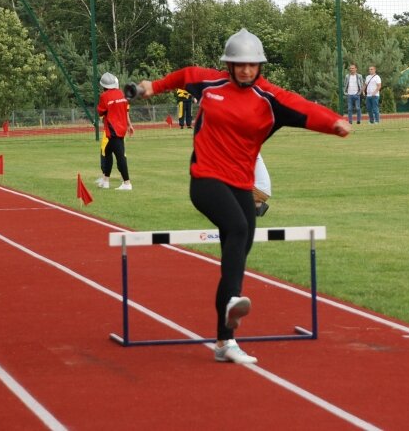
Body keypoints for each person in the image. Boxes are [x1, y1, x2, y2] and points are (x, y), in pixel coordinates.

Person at [136, 29, 350, 364]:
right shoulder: (210, 84)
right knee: (236, 228)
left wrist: (333, 123)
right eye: (239, 65)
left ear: (259, 66)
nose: (246, 71)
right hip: (205, 178)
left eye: (252, 65)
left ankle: (225, 341)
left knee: (237, 252)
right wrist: (155, 85)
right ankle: (233, 300)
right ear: (229, 65)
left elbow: (303, 108)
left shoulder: (269, 99)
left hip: (240, 183)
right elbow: (185, 73)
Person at [95, 72, 134, 191]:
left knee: (119, 156)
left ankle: (127, 183)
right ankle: (106, 181)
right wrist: (129, 125)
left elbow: (100, 112)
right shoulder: (122, 94)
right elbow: (125, 110)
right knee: (107, 152)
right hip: (121, 128)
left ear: (104, 86)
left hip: (112, 130)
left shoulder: (104, 96)